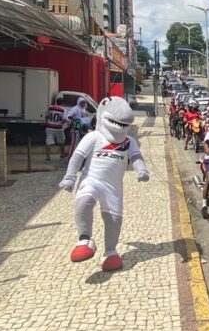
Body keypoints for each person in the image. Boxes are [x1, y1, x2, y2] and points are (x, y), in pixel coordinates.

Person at [58, 97, 149, 272]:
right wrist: (70, 177)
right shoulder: (94, 136)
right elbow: (78, 156)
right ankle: (85, 239)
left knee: (114, 220)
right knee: (83, 202)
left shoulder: (129, 141)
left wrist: (142, 170)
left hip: (113, 188)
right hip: (91, 179)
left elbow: (136, 157)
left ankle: (110, 251)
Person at [43, 96, 68, 162]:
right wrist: (61, 123)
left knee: (48, 142)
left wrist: (47, 122)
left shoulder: (50, 107)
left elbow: (46, 116)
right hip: (58, 128)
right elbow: (64, 119)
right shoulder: (63, 110)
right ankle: (62, 154)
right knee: (62, 141)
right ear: (62, 103)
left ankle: (48, 158)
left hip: (49, 127)